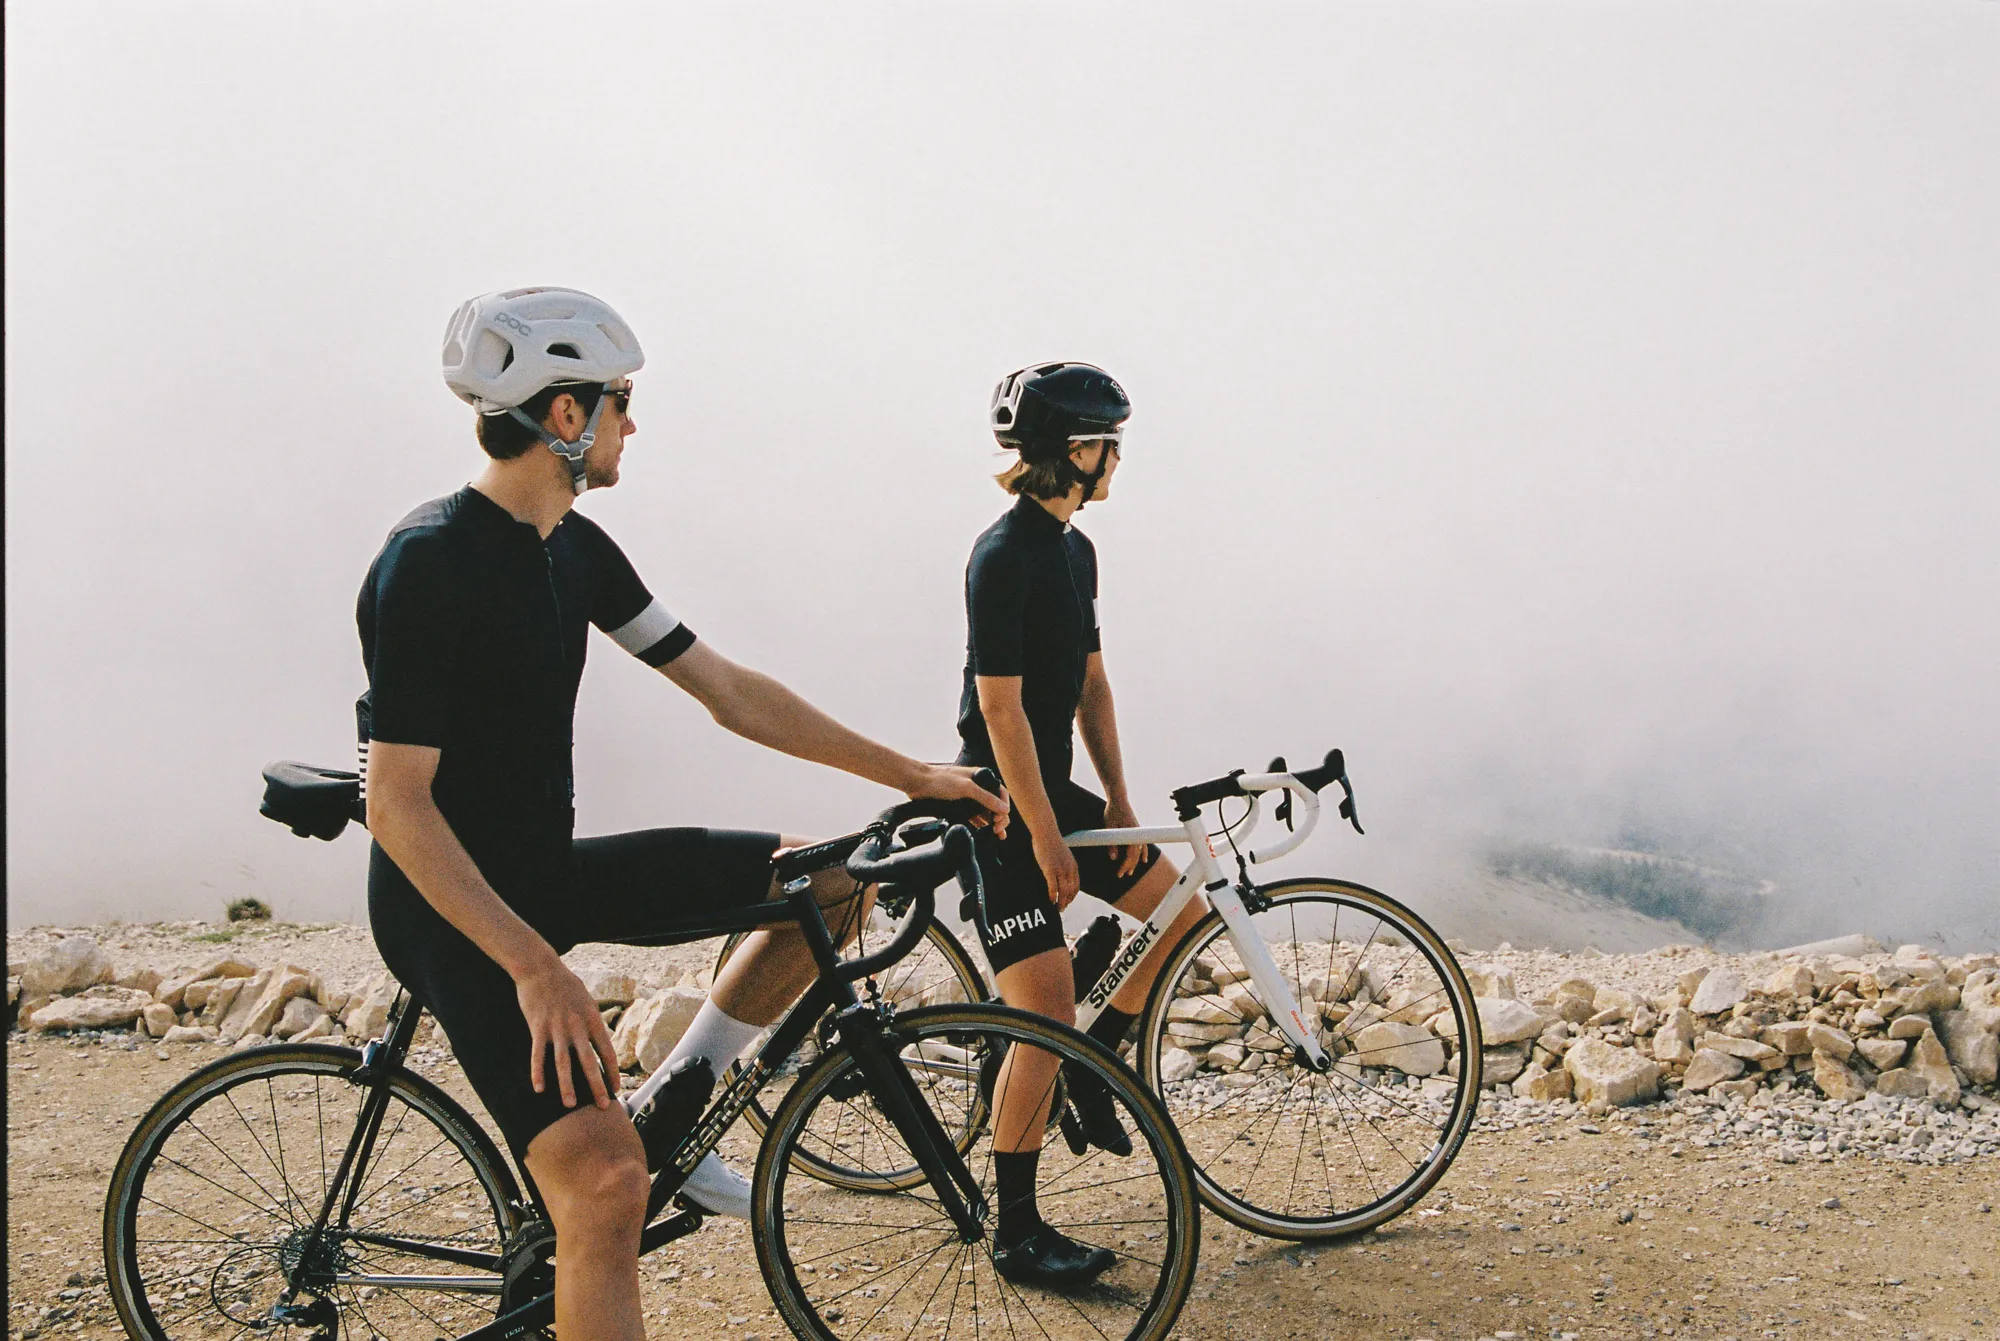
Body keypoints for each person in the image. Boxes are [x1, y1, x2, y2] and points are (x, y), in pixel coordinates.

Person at [360, 287, 1005, 1341]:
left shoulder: (574, 548)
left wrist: (909, 776)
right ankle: (625, 1161)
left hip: (541, 871)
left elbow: (729, 691)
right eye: (619, 399)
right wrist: (536, 968)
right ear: (562, 417)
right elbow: (394, 806)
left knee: (828, 882)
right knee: (606, 1187)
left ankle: (679, 1100)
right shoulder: (430, 559)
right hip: (451, 911)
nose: (631, 421)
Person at [954, 362, 1210, 1285]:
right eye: (1111, 444)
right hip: (995, 803)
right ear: (1076, 450)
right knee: (1042, 1011)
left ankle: (1091, 1062)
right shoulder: (1002, 553)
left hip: (1054, 795)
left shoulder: (1075, 550)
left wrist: (1121, 803)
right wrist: (1045, 834)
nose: (1118, 461)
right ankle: (1016, 1230)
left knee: (1182, 911)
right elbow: (1003, 712)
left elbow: (1093, 688)